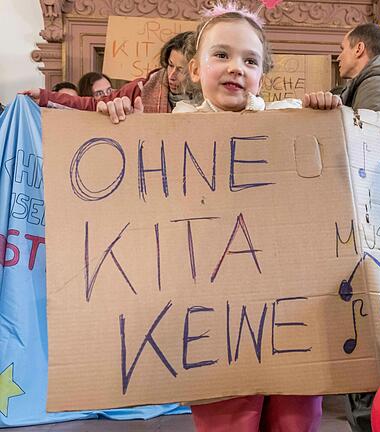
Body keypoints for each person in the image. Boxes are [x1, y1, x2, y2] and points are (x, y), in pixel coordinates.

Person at [96, 4, 339, 429]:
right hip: (213, 323)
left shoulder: (290, 123)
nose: (236, 68)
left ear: (263, 74)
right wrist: (116, 122)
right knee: (230, 422)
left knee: (296, 422)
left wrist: (323, 114)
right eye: (221, 55)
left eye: (250, 60)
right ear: (194, 68)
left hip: (292, 314)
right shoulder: (169, 132)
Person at [303, 23, 380, 157]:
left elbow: (371, 153)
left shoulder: (377, 86)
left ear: (358, 49)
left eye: (343, 49)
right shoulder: (373, 84)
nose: (339, 57)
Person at [20, 31, 193, 119]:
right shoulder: (141, 88)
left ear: (198, 70)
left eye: (181, 70)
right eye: (170, 65)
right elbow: (91, 105)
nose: (171, 75)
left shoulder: (215, 96)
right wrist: (44, 97)